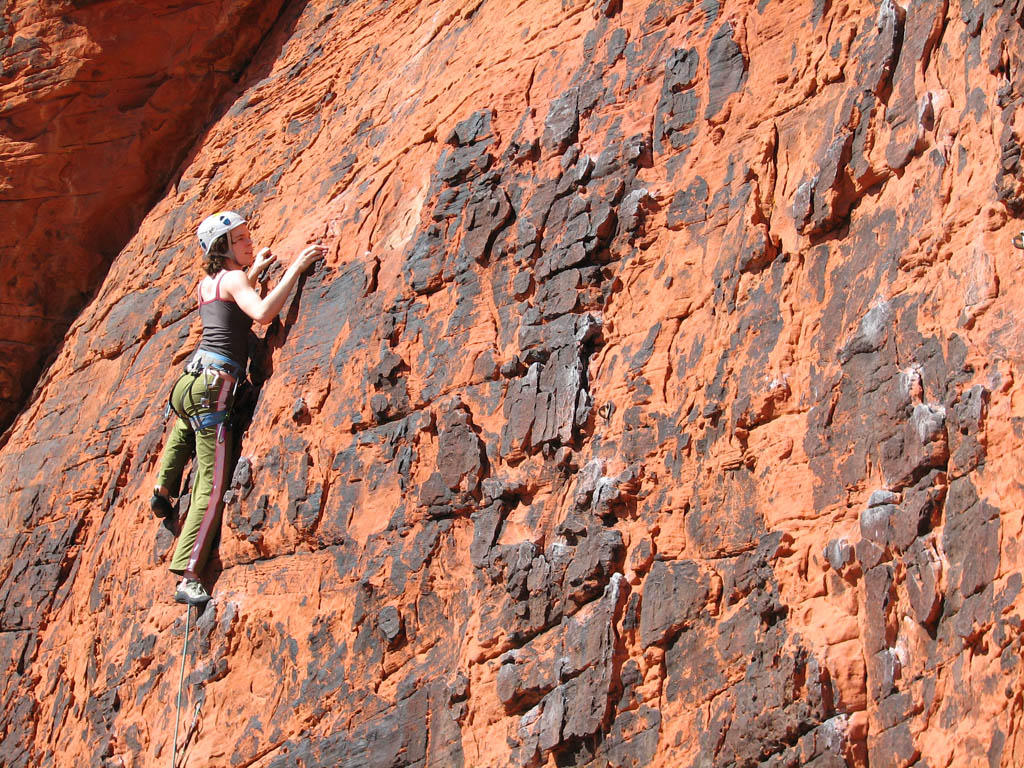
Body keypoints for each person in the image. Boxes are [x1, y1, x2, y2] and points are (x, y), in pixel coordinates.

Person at [150, 211, 325, 605]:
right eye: (241, 239)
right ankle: (189, 573)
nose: (248, 242)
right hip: (213, 388)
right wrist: (295, 267)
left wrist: (257, 267)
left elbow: (230, 302)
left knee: (186, 424)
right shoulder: (232, 279)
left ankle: (164, 486)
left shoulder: (208, 283)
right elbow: (261, 313)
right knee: (211, 485)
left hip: (189, 382)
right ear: (223, 247)